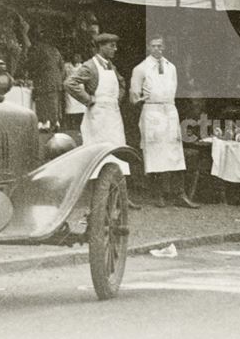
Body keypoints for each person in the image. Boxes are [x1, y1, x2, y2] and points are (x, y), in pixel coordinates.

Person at [64, 32, 140, 210]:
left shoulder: (110, 66)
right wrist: (88, 100)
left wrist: (117, 98)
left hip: (113, 114)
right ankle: (99, 199)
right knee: (99, 155)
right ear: (101, 47)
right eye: (111, 46)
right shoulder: (89, 66)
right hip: (97, 116)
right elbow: (70, 83)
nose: (115, 49)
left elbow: (121, 82)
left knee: (119, 152)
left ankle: (120, 197)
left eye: (115, 45)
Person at [130, 35, 199, 209]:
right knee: (154, 153)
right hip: (152, 112)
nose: (157, 49)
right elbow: (133, 97)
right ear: (148, 47)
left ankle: (178, 194)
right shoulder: (141, 68)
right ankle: (158, 194)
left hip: (169, 111)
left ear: (164, 47)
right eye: (154, 46)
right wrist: (140, 99)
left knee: (174, 152)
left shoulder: (171, 67)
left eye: (160, 46)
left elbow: (172, 89)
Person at [26, 28, 65, 131]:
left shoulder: (37, 48)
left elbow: (33, 65)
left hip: (43, 79)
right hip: (56, 80)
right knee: (54, 102)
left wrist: (30, 74)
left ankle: (45, 123)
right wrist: (60, 78)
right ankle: (55, 122)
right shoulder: (54, 50)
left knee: (43, 101)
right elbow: (62, 66)